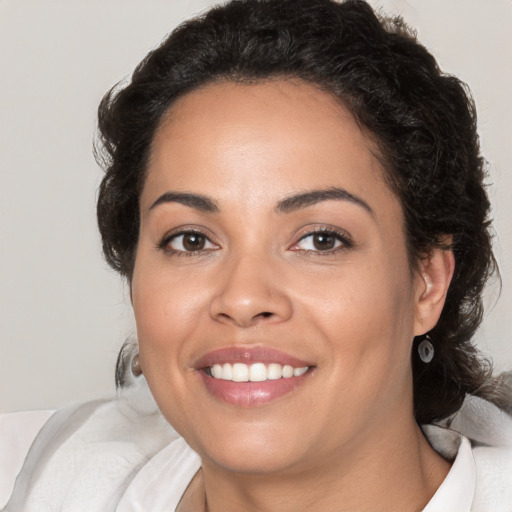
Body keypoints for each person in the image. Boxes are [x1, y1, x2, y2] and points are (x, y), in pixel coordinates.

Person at [2, 0, 511, 510]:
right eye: (191, 240)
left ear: (427, 282)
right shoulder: (29, 478)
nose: (243, 299)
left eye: (320, 239)